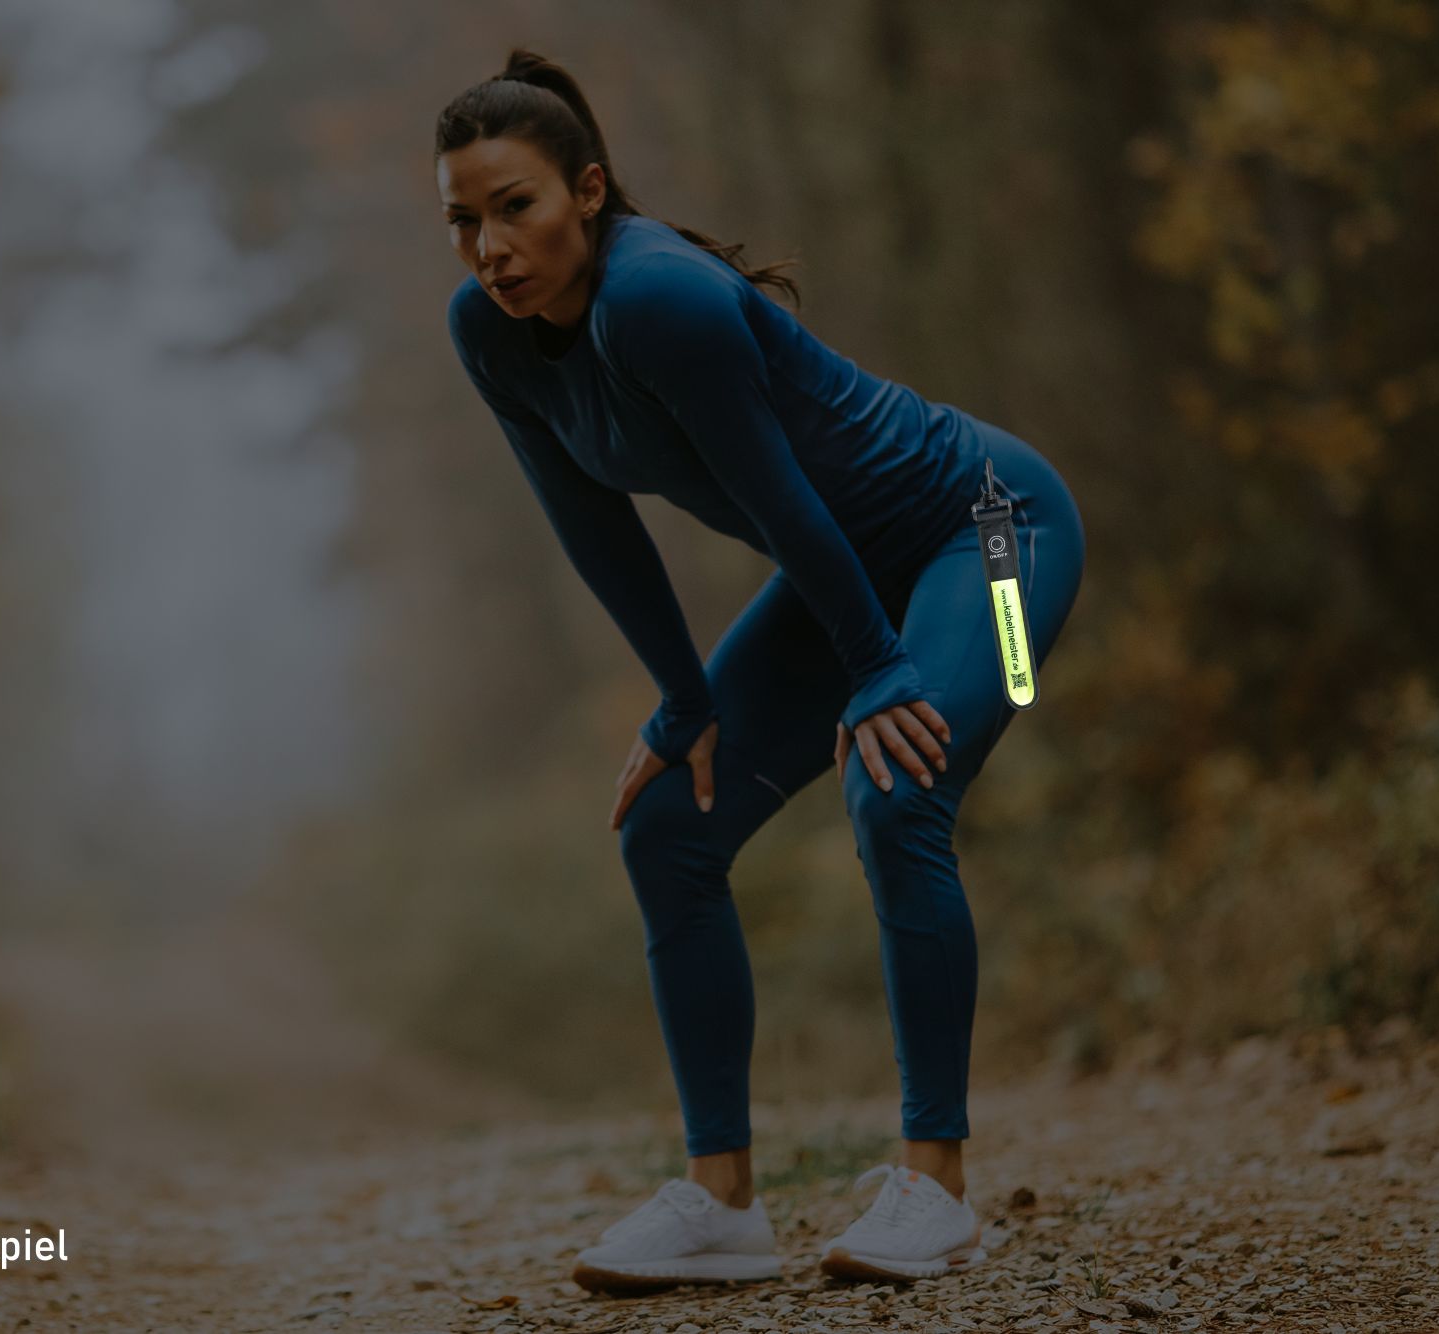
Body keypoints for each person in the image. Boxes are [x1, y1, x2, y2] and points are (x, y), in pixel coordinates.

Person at [435, 48, 1086, 1290]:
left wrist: (878, 668)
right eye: (463, 222)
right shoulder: (491, 334)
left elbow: (780, 499)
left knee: (898, 788)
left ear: (586, 190)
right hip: (848, 565)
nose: (488, 249)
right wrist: (681, 701)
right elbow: (593, 529)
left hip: (999, 528)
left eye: (513, 207)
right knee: (664, 828)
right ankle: (722, 1204)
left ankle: (937, 1189)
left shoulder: (657, 299)